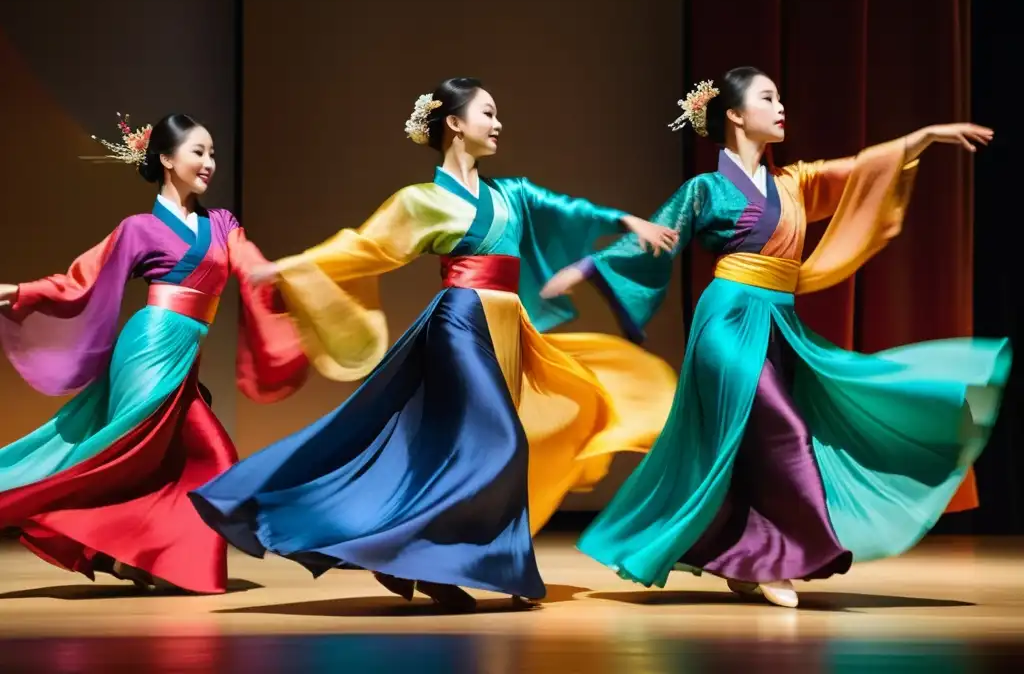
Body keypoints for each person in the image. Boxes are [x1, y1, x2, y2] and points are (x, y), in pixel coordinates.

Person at [189, 77, 680, 611]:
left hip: (509, 326)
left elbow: (564, 208)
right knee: (502, 443)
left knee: (472, 451)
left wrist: (622, 220)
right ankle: (461, 566)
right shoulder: (421, 201)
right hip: (461, 322)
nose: (497, 123)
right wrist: (290, 268)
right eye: (487, 113)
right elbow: (365, 247)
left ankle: (414, 557)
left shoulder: (507, 193)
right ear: (453, 123)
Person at [541, 67, 1009, 608]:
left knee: (753, 442)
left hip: (779, 320)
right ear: (735, 115)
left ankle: (743, 558)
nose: (781, 106)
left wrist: (921, 138)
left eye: (780, 97)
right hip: (728, 320)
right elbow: (656, 240)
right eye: (768, 98)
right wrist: (585, 270)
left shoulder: (794, 182)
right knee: (784, 430)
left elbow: (861, 171)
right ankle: (777, 560)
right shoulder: (706, 189)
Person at [0, 113, 307, 593]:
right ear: (166, 159)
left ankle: (133, 557)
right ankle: (133, 551)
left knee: (178, 460)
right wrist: (21, 292)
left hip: (185, 353)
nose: (209, 162)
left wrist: (291, 273)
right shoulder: (139, 229)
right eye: (198, 152)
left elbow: (253, 266)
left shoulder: (222, 224)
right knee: (133, 452)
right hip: (149, 349)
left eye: (212, 153)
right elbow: (79, 280)